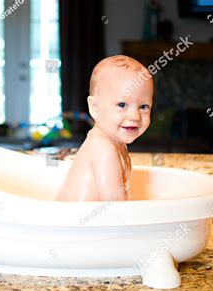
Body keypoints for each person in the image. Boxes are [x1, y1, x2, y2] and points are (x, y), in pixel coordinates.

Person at [56, 55, 153, 201]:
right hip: (74, 222)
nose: (135, 116)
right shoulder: (103, 147)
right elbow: (115, 207)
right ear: (95, 108)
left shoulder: (116, 142)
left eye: (143, 106)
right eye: (122, 105)